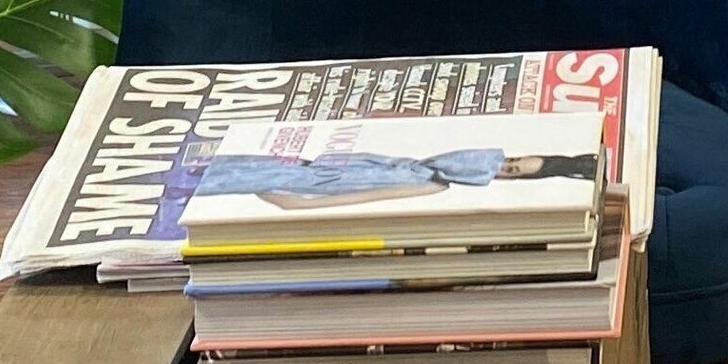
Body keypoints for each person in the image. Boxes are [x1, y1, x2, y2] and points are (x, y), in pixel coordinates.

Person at [191, 145, 600, 211]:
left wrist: (293, 203)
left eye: (509, 171)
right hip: (294, 166)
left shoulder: (430, 182)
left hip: (293, 182)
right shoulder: (416, 160)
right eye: (510, 159)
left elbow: (356, 199)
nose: (501, 165)